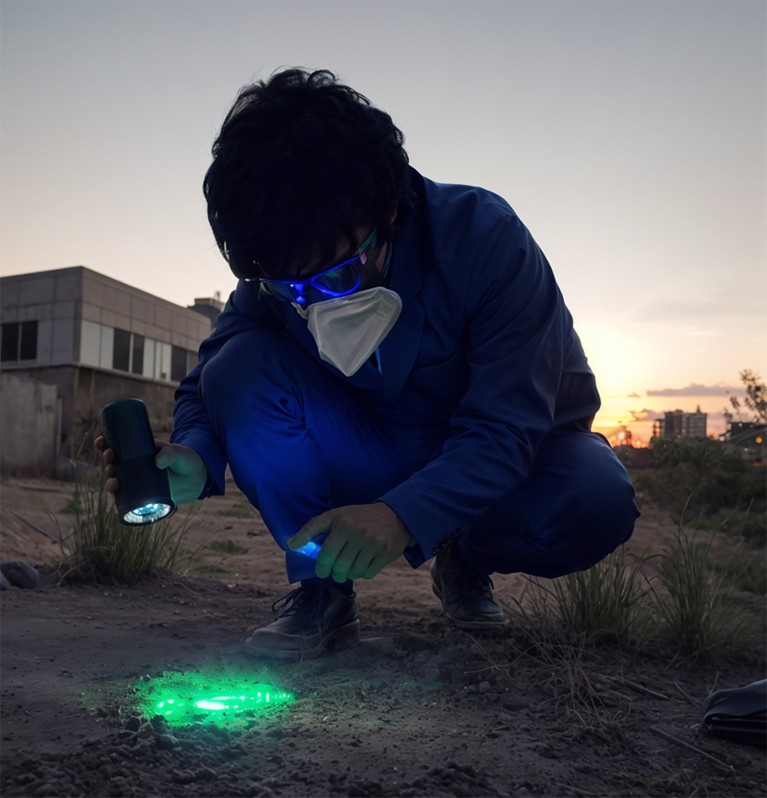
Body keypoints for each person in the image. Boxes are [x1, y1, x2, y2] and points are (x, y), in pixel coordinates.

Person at [101, 67, 639, 660]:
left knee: (593, 497)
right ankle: (321, 590)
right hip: (377, 444)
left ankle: (468, 557)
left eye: (336, 275)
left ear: (389, 214)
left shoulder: (487, 241)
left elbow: (505, 428)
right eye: (289, 288)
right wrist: (196, 455)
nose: (316, 302)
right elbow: (209, 378)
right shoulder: (278, 268)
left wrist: (404, 516)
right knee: (238, 368)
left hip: (511, 460)